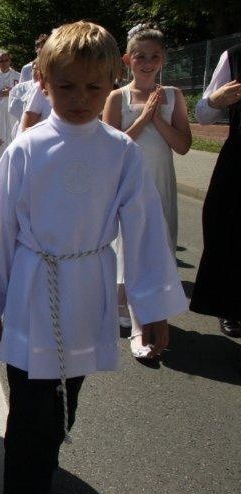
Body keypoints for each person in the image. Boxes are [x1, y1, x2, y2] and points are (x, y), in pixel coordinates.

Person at [0, 22, 188, 494]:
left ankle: (45, 464)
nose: (81, 98)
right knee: (28, 410)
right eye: (67, 86)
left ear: (113, 80)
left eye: (94, 87)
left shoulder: (120, 151)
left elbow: (146, 232)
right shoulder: (26, 148)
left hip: (87, 290)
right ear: (44, 81)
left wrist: (151, 311)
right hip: (29, 290)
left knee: (67, 399)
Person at [103, 26, 191, 356]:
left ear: (163, 59)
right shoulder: (117, 97)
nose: (148, 62)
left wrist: (158, 118)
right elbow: (113, 147)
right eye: (140, 56)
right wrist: (145, 116)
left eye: (155, 56)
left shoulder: (174, 95)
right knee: (127, 246)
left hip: (160, 181)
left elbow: (182, 145)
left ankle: (152, 311)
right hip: (128, 183)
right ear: (127, 59)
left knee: (158, 245)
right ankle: (129, 311)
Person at [188, 45, 241, 336]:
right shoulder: (234, 57)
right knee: (228, 230)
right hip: (239, 156)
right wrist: (216, 100)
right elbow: (203, 114)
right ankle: (230, 305)